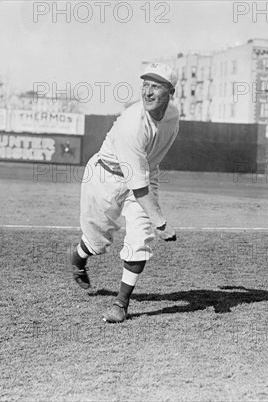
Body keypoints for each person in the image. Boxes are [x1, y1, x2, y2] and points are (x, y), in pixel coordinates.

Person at [70, 63, 180, 323]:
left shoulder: (173, 114)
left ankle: (121, 303)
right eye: (145, 85)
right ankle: (77, 257)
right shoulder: (133, 124)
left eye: (156, 86)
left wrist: (153, 220)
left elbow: (141, 182)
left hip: (143, 176)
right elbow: (138, 187)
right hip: (105, 177)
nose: (148, 92)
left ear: (171, 92)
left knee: (140, 240)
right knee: (97, 242)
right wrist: (161, 222)